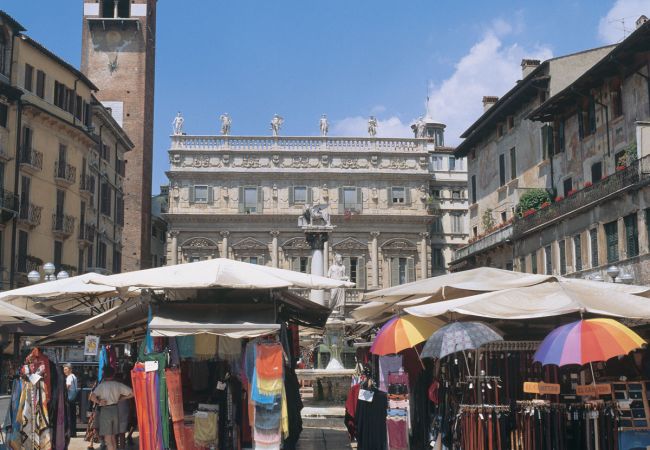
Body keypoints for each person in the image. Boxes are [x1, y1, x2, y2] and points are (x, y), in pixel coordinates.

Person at [89, 367, 134, 450]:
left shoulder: (102, 386)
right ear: (113, 374)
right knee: (113, 437)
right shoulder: (118, 385)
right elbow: (132, 393)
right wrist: (122, 398)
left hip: (106, 411)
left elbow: (91, 396)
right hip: (115, 410)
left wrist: (99, 402)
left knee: (108, 439)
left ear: (104, 374)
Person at [63, 363, 79, 437]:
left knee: (69, 415)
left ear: (70, 370)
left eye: (66, 369)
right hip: (73, 398)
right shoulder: (74, 376)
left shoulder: (69, 377)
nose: (64, 371)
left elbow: (67, 387)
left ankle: (69, 432)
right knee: (73, 415)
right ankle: (73, 432)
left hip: (69, 399)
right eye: (64, 369)